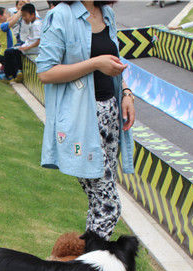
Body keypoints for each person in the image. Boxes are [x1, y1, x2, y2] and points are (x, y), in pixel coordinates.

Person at [37, 1, 136, 240]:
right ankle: (91, 259)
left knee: (97, 202)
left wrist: (126, 92)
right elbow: (46, 72)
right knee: (109, 205)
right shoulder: (60, 15)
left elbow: (114, 61)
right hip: (81, 122)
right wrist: (95, 63)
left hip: (110, 115)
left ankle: (85, 260)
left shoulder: (106, 13)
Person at [0, 3, 43, 82]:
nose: (23, 18)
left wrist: (27, 47)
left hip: (32, 49)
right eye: (22, 16)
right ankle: (18, 71)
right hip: (29, 46)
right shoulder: (37, 22)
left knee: (8, 52)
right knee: (16, 47)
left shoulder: (36, 25)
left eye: (25, 16)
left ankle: (9, 75)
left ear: (33, 14)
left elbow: (39, 40)